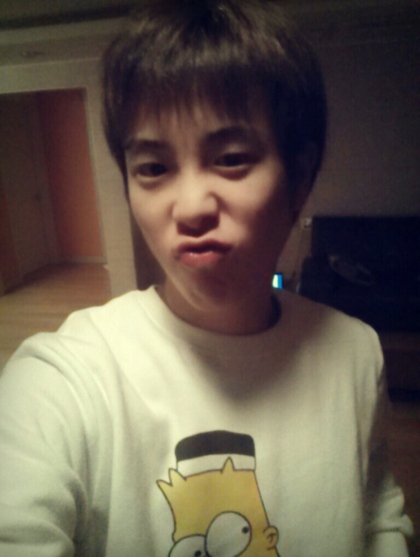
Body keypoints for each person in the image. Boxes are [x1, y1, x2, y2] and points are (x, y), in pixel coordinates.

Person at [0, 0, 413, 555]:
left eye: (232, 157)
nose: (191, 207)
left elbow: (379, 515)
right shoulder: (67, 376)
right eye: (153, 168)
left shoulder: (357, 354)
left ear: (299, 177)